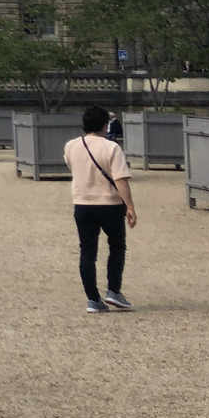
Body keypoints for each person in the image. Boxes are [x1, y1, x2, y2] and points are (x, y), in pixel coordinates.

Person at [63, 105, 138, 314]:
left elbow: (71, 166)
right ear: (105, 125)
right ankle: (113, 290)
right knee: (117, 246)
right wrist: (130, 206)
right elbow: (120, 179)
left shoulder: (71, 146)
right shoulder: (111, 147)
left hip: (82, 203)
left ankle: (92, 299)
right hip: (109, 204)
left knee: (87, 252)